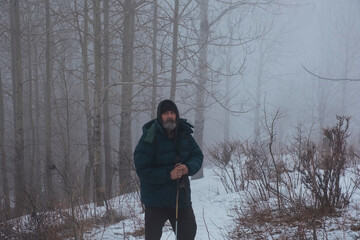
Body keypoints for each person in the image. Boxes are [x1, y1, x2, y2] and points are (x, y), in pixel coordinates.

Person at [134, 99, 203, 240]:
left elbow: (197, 155)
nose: (170, 116)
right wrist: (168, 175)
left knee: (188, 234)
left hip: (180, 197)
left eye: (172, 113)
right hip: (155, 200)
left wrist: (187, 168)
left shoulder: (184, 133)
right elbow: (142, 170)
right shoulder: (149, 136)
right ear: (160, 116)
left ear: (176, 115)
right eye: (166, 113)